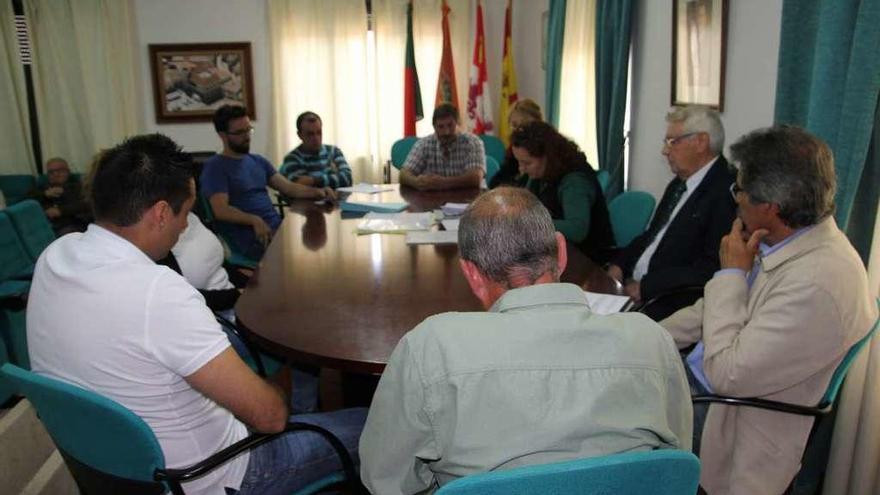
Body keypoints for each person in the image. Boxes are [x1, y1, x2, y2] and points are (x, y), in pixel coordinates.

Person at [26, 134, 366, 495]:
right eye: (185, 213)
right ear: (159, 213)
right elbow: (271, 417)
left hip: (115, 470)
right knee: (373, 422)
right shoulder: (159, 291)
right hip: (220, 476)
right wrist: (271, 393)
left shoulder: (55, 256)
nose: (185, 226)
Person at [359, 187, 692, 494]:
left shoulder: (430, 348)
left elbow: (386, 481)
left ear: (472, 274)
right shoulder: (653, 342)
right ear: (561, 252)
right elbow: (673, 467)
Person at [661, 126, 877, 495]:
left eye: (739, 190)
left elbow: (727, 376)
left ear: (770, 208)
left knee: (604, 417)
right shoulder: (787, 241)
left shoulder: (818, 283)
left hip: (724, 415)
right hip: (706, 384)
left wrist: (730, 273)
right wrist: (644, 334)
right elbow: (709, 312)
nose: (736, 198)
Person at [607, 105, 737, 320]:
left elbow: (712, 267)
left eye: (672, 142)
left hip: (669, 304)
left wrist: (647, 287)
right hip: (634, 290)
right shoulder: (679, 184)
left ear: (701, 142)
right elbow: (653, 236)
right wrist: (620, 263)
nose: (665, 151)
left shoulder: (726, 191)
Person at [200, 105, 335, 260]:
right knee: (310, 258)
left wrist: (320, 191)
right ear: (223, 135)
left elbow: (289, 187)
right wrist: (253, 219)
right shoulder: (215, 167)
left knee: (321, 246)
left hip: (277, 231)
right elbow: (221, 210)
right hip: (254, 239)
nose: (247, 136)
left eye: (248, 130)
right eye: (240, 132)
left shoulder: (258, 161)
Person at [510, 121, 615, 263]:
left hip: (587, 259)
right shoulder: (542, 171)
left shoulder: (575, 181)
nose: (521, 169)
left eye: (527, 163)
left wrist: (532, 222)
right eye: (519, 162)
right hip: (558, 250)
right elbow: (528, 204)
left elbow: (577, 230)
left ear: (547, 156)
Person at [399, 103, 485, 191]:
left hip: (466, 199)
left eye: (450, 125)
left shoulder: (472, 142)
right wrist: (416, 182)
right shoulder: (424, 144)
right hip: (432, 201)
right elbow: (404, 174)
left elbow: (476, 178)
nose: (446, 132)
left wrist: (443, 183)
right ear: (434, 127)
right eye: (440, 127)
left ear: (458, 123)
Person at [279, 111, 353, 189]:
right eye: (310, 134)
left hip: (337, 200)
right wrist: (333, 178)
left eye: (319, 132)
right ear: (300, 135)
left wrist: (313, 181)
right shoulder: (292, 159)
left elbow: (347, 179)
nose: (316, 138)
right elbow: (302, 188)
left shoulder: (334, 151)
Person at [489, 98, 543, 188]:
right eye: (514, 125)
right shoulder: (513, 150)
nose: (518, 130)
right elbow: (495, 183)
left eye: (524, 125)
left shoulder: (543, 151)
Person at [28, 157, 90, 235]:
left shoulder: (79, 186)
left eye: (59, 170)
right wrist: (45, 194)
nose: (55, 174)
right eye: (51, 172)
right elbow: (25, 201)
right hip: (45, 225)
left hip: (72, 224)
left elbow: (87, 204)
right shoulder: (43, 188)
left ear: (68, 171)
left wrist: (60, 211)